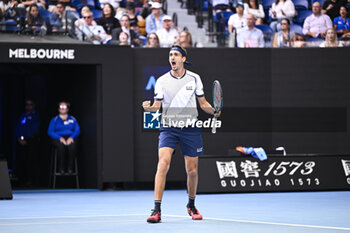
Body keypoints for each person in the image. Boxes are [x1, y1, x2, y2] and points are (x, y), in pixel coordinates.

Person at [142, 45, 221, 223]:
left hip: (190, 127)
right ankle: (156, 209)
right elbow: (156, 106)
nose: (172, 58)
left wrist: (214, 111)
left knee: (192, 170)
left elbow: (203, 103)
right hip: (169, 127)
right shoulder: (162, 80)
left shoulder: (194, 78)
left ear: (183, 59)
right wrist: (149, 108)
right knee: (163, 164)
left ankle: (191, 205)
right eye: (170, 55)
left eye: (176, 54)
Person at [48, 102, 80, 175]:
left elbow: (77, 130)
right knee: (60, 147)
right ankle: (61, 168)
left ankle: (70, 168)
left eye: (64, 107)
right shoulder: (54, 119)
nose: (62, 109)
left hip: (70, 137)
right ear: (58, 109)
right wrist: (60, 138)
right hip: (58, 138)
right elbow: (50, 132)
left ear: (68, 109)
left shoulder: (72, 119)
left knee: (72, 147)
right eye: (61, 107)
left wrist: (71, 137)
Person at [15, 99, 40, 186]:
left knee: (32, 160)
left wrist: (26, 138)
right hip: (21, 141)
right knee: (23, 160)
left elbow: (35, 129)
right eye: (27, 105)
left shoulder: (35, 116)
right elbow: (18, 127)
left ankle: (33, 181)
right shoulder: (22, 116)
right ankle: (23, 180)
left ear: (33, 106)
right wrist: (19, 138)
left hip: (31, 141)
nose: (28, 106)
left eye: (30, 105)